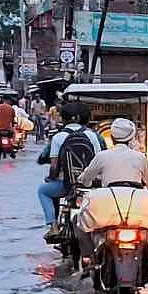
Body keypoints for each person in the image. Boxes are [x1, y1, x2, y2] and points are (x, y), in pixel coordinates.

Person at [37, 100, 105, 242]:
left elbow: (54, 166)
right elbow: (100, 162)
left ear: (64, 118)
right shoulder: (92, 136)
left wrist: (51, 178)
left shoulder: (58, 137)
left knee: (43, 190)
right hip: (89, 186)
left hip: (66, 186)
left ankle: (53, 226)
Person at [77, 117, 148, 190]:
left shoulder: (101, 156)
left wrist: (91, 184)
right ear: (131, 138)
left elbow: (84, 179)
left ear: (112, 138)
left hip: (108, 201)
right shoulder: (140, 157)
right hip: (133, 203)